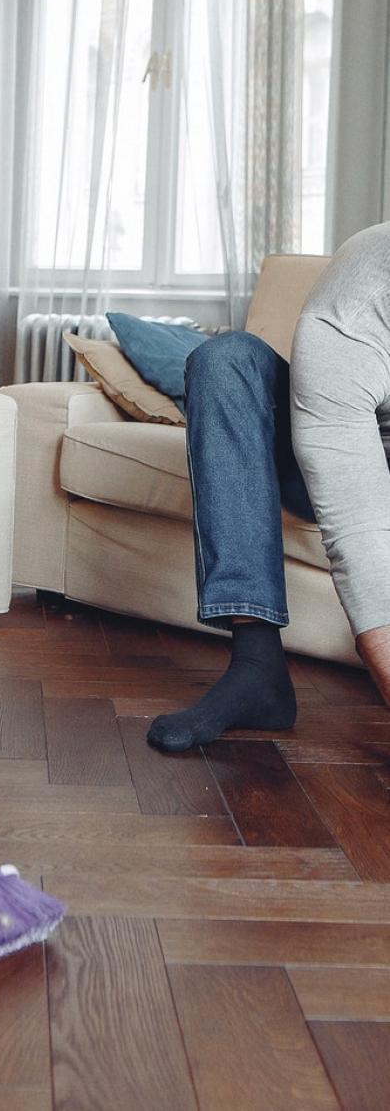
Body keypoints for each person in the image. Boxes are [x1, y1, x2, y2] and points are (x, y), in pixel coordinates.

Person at [147, 220, 390, 753]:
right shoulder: (363, 290)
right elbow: (361, 525)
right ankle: (257, 667)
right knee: (225, 361)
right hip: (342, 451)